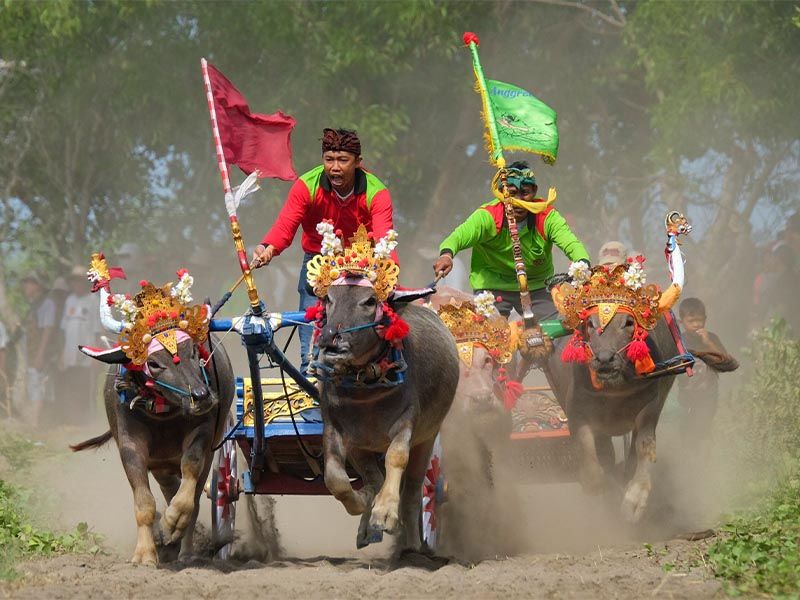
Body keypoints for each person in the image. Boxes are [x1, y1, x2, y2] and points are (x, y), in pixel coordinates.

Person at [252, 128, 395, 373]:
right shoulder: (305, 186)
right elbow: (285, 226)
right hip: (319, 265)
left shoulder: (377, 193)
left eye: (343, 160)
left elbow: (385, 240)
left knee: (384, 324)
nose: (335, 167)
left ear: (358, 163)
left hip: (364, 268)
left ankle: (384, 364)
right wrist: (268, 247)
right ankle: (312, 369)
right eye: (329, 159)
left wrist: (390, 278)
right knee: (312, 349)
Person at [433, 161, 589, 320]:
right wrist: (446, 255)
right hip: (491, 287)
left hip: (536, 286)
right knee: (488, 336)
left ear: (534, 191)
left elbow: (571, 244)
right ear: (501, 192)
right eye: (512, 193)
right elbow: (458, 237)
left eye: (525, 193)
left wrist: (583, 265)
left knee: (566, 326)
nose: (518, 201)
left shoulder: (547, 216)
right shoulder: (488, 216)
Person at [677, 297, 735, 452]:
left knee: (702, 425)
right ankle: (688, 456)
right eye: (691, 321)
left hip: (707, 394)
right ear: (681, 322)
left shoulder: (712, 338)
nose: (696, 324)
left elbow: (724, 359)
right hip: (685, 395)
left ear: (705, 319)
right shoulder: (679, 342)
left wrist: (708, 342)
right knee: (686, 428)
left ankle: (704, 454)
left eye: (700, 320)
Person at [60, 266, 102, 424]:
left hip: (86, 354)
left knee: (86, 389)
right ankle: (73, 421)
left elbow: (97, 331)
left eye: (78, 281)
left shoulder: (92, 300)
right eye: (73, 281)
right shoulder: (69, 300)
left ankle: (87, 423)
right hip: (70, 354)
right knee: (71, 386)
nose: (75, 284)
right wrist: (63, 353)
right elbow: (65, 330)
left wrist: (96, 356)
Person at [21, 274, 58, 426]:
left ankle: (35, 424)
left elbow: (47, 331)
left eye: (30, 283)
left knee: (38, 386)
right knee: (35, 385)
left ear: (38, 285)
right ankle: (39, 422)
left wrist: (40, 355)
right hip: (31, 353)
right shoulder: (34, 304)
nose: (26, 286)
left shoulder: (47, 304)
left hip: (39, 353)